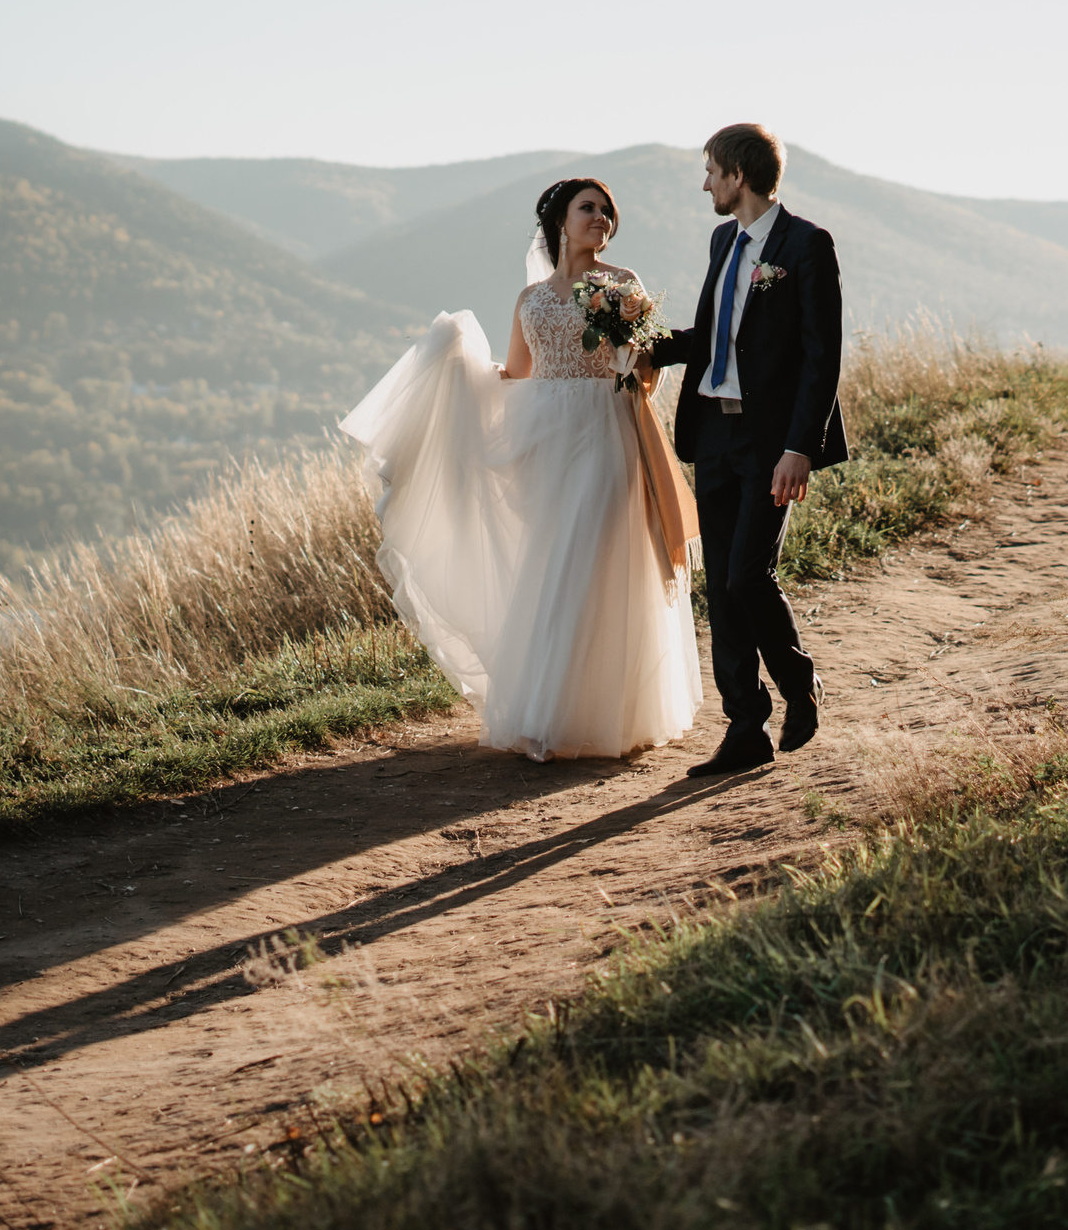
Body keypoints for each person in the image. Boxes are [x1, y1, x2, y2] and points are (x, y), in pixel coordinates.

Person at [340, 178, 702, 761]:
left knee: (594, 558)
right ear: (560, 220)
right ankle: (548, 712)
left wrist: (632, 353)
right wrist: (457, 370)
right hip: (547, 443)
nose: (601, 218)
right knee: (551, 564)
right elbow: (515, 375)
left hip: (607, 433)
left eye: (607, 212)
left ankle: (605, 712)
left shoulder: (622, 286)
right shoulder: (530, 300)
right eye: (589, 208)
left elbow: (644, 368)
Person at [645, 124, 848, 777]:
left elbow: (821, 357)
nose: (705, 183)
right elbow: (713, 335)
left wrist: (800, 448)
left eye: (711, 171)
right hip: (714, 434)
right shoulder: (722, 241)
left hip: (770, 443)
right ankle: (745, 728)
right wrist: (645, 343)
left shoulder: (806, 244)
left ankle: (798, 682)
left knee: (747, 575)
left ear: (738, 175)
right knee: (723, 588)